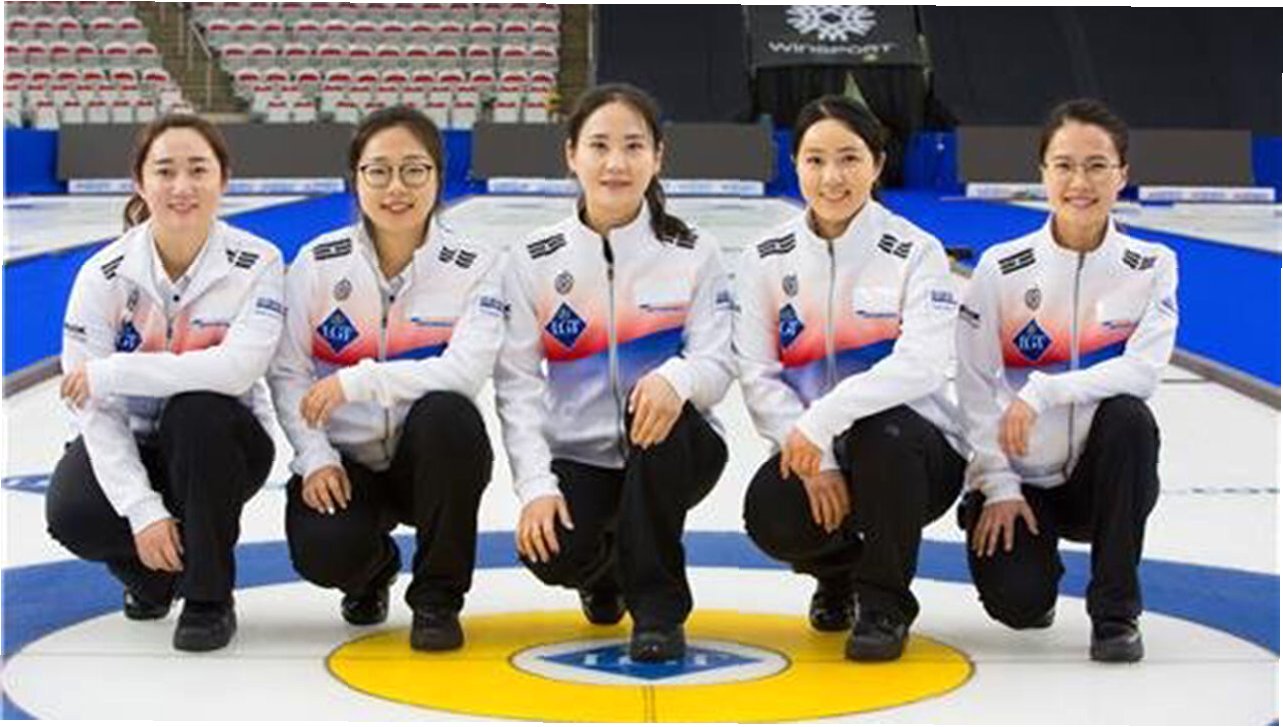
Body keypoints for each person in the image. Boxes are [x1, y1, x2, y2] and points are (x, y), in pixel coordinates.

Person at [495, 83, 734, 662]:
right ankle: (606, 574)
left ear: (658, 156)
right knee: (549, 551)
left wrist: (676, 380)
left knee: (655, 403)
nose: (616, 163)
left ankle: (657, 611)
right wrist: (536, 487)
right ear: (571, 154)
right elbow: (517, 384)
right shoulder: (533, 258)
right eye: (599, 145)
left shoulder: (694, 251)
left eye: (633, 146)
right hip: (582, 456)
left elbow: (719, 359)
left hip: (677, 447)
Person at [738, 95, 966, 662]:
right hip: (816, 451)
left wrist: (823, 421)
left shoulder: (916, 252)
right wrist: (820, 458)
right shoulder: (764, 257)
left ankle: (885, 606)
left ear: (877, 163)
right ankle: (837, 575)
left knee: (880, 430)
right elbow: (758, 374)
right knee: (769, 513)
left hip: (914, 456)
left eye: (849, 159)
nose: (831, 177)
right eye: (815, 160)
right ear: (795, 164)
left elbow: (921, 364)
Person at [46, 114, 284, 652]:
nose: (182, 186)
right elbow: (93, 409)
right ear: (139, 182)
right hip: (137, 441)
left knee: (196, 408)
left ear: (224, 179)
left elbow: (236, 370)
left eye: (198, 170)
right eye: (165, 171)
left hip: (223, 445)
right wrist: (143, 510)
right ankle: (154, 579)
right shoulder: (102, 275)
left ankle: (208, 599)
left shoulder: (258, 262)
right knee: (72, 514)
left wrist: (114, 372)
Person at [268, 106, 502, 652]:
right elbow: (287, 371)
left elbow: (465, 371)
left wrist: (357, 382)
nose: (396, 187)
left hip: (429, 461)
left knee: (451, 416)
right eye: (378, 171)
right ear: (356, 178)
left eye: (414, 170)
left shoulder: (478, 265)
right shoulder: (316, 264)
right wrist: (316, 457)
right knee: (324, 552)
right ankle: (372, 572)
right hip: (347, 463)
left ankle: (437, 599)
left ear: (438, 177)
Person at [955, 98, 1178, 663]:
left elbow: (1143, 370)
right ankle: (1021, 557)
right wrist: (997, 484)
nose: (1080, 182)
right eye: (1064, 165)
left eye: (1097, 165)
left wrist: (1045, 389)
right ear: (1043, 173)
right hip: (1022, 479)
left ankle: (1116, 613)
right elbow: (974, 386)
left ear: (1122, 174)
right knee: (1019, 607)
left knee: (1129, 418)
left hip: (1099, 481)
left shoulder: (1150, 264)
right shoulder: (1001, 267)